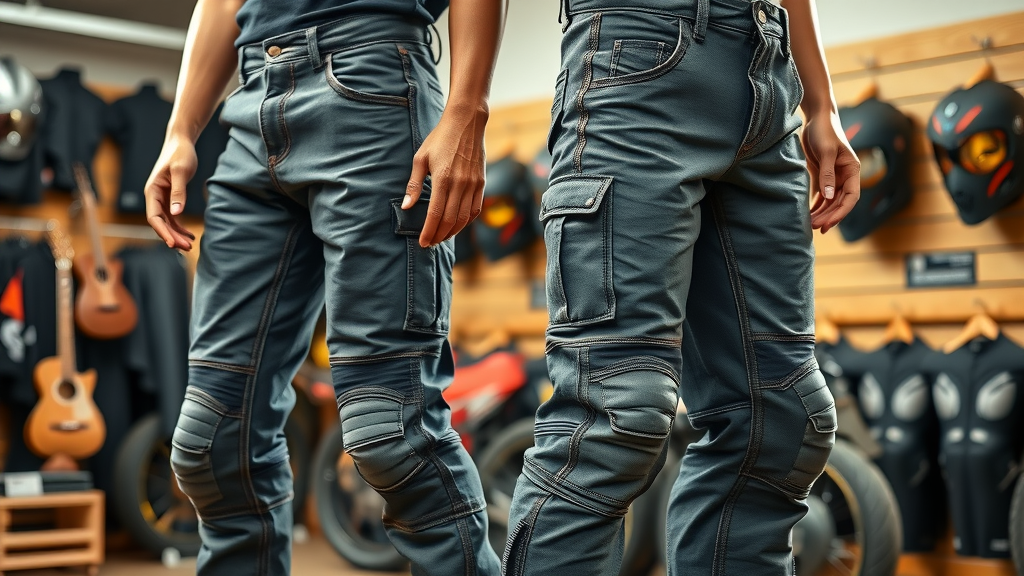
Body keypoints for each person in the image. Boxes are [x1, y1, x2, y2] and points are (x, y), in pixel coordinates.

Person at [144, 0, 505, 574]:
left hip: (372, 83)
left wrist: (468, 109)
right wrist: (180, 129)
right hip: (252, 99)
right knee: (212, 441)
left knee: (391, 433)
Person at [502, 0, 859, 574]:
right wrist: (466, 105)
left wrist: (822, 103)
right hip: (636, 56)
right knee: (616, 412)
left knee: (779, 417)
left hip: (769, 70)